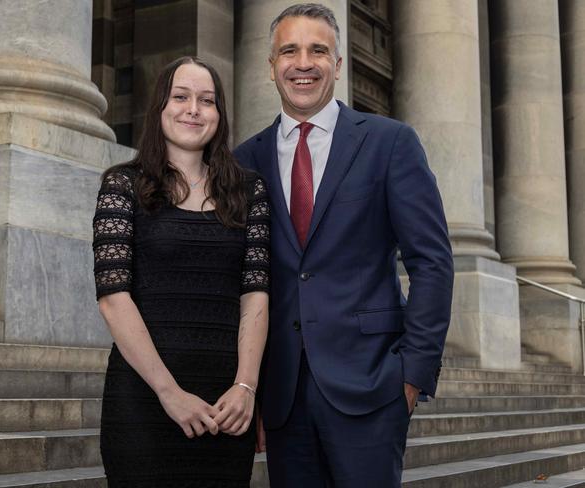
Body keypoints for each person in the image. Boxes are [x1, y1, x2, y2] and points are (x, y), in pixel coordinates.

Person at [234, 3, 454, 487]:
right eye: (289, 50)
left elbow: (432, 262)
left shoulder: (389, 142)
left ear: (338, 64)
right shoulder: (244, 161)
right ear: (271, 66)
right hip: (284, 396)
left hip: (373, 386)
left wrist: (412, 375)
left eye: (318, 50)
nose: (303, 62)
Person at [92, 56, 270, 487]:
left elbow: (256, 294)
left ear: (219, 115)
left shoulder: (249, 190)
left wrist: (245, 387)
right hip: (143, 396)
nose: (194, 109)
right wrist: (169, 393)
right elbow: (114, 298)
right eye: (181, 96)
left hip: (226, 400)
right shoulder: (122, 186)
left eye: (207, 101)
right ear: (160, 108)